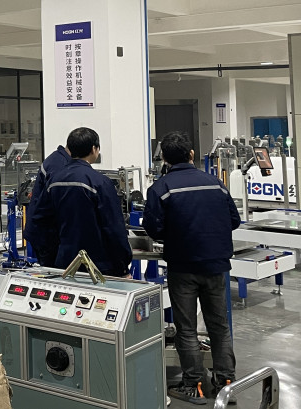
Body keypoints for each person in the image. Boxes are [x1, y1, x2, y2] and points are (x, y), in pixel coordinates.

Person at [143, 131, 239, 405]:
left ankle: (193, 384)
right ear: (192, 154)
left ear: (164, 158)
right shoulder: (216, 184)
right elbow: (234, 220)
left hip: (182, 266)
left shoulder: (161, 188)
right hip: (216, 265)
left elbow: (153, 229)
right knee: (219, 326)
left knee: (186, 328)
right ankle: (226, 382)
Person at [30, 127, 132, 277]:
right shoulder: (100, 182)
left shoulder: (54, 181)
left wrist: (51, 257)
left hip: (65, 263)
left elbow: (40, 220)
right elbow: (113, 228)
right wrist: (123, 266)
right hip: (98, 266)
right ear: (94, 149)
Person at [22, 143, 71, 267]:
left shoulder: (58, 158)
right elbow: (59, 198)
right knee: (53, 270)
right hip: (45, 233)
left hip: (43, 229)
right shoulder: (59, 165)